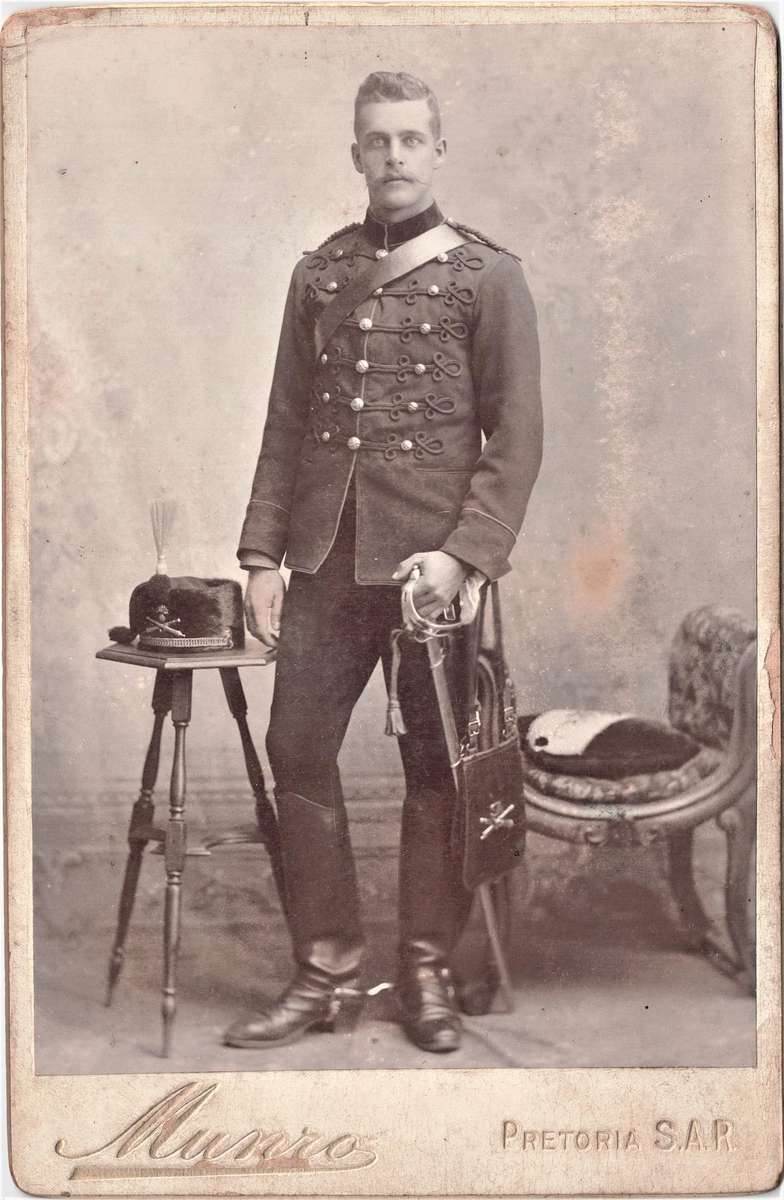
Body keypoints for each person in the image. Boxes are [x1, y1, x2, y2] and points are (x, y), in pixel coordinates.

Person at [224, 70, 542, 1054]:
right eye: (377, 141)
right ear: (355, 153)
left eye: (412, 139)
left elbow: (516, 439)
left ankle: (424, 971)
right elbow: (285, 427)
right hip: (322, 562)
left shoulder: (487, 276)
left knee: (434, 769)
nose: (395, 156)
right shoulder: (318, 276)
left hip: (427, 575)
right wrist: (261, 556)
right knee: (297, 756)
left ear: (437, 152)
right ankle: (323, 969)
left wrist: (462, 556)